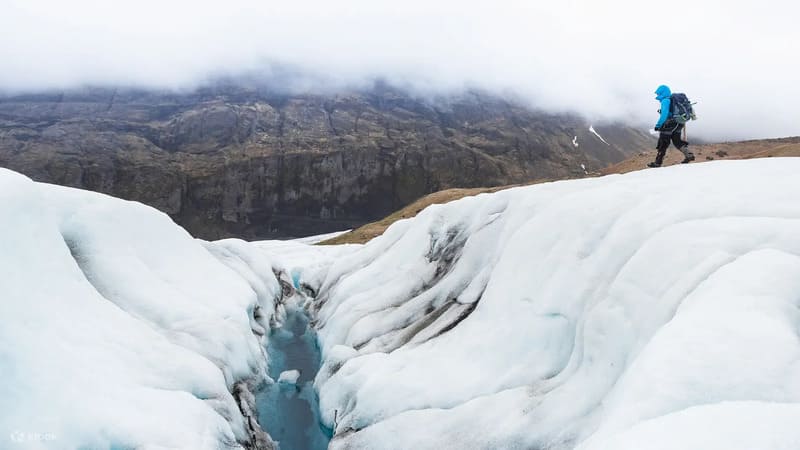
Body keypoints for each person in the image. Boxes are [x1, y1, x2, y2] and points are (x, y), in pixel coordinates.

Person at [648, 85, 695, 168]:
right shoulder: (675, 99)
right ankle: (689, 155)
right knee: (677, 141)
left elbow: (664, 115)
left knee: (663, 143)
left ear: (662, 93)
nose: (657, 95)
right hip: (679, 123)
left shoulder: (665, 101)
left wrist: (658, 125)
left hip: (669, 124)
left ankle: (658, 162)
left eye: (658, 93)